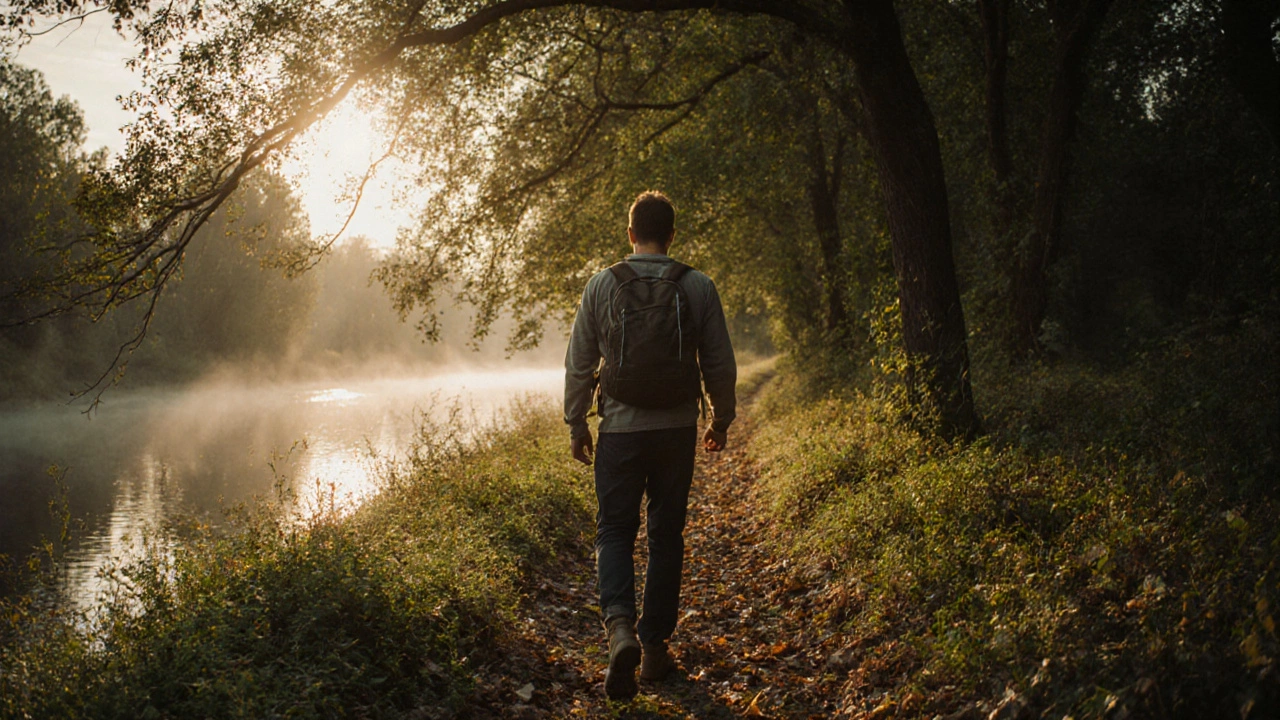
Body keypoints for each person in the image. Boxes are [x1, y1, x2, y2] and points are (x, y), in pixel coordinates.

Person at [564, 190, 737, 700]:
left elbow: (578, 362)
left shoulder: (602, 285)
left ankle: (619, 629)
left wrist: (576, 423)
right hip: (676, 430)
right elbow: (719, 361)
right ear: (672, 236)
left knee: (614, 531)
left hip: (619, 429)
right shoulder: (698, 285)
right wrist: (721, 419)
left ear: (630, 233)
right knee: (666, 535)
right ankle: (655, 648)